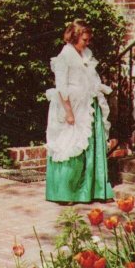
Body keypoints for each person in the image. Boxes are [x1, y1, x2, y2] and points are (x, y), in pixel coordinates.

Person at [45, 19, 114, 203]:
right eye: (84, 39)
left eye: (88, 39)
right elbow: (61, 87)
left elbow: (90, 78)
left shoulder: (85, 54)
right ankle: (67, 192)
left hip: (87, 105)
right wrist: (68, 112)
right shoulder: (64, 57)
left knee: (88, 147)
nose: (87, 43)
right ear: (74, 37)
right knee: (70, 146)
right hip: (72, 107)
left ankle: (93, 190)